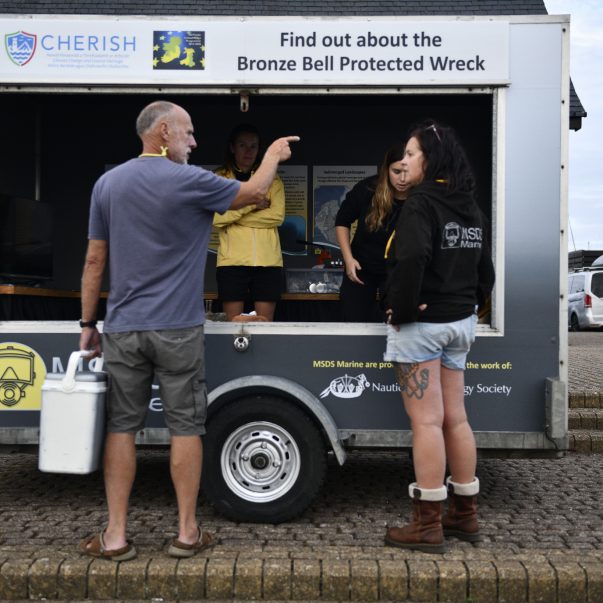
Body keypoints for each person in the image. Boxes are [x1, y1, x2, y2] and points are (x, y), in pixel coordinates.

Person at [78, 101, 298, 561]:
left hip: (123, 328)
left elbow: (95, 261)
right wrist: (273, 155)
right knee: (185, 427)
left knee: (121, 428)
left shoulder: (107, 184)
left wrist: (87, 325)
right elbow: (256, 189)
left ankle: (115, 536)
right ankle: (187, 533)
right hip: (178, 329)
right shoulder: (190, 180)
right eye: (189, 133)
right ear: (163, 132)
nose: (194, 142)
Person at [382, 121, 495, 553]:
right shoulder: (469, 206)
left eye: (411, 154)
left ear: (431, 158)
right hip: (460, 324)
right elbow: (486, 270)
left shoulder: (421, 204)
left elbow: (410, 257)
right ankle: (465, 515)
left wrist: (403, 309)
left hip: (423, 328)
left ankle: (427, 524)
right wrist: (468, 302)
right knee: (457, 418)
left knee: (426, 421)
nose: (405, 161)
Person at [213, 124, 286, 321]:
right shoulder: (220, 178)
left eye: (253, 146)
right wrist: (251, 204)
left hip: (268, 261)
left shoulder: (272, 179)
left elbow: (276, 216)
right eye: (243, 145)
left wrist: (234, 210)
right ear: (232, 148)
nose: (248, 151)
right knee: (233, 326)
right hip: (231, 262)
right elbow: (216, 218)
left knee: (265, 326)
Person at [335, 143, 408, 322]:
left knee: (397, 323)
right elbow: (341, 221)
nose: (403, 179)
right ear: (386, 169)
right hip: (361, 267)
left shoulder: (422, 197)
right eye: (396, 171)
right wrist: (348, 259)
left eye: (407, 172)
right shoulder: (368, 189)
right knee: (352, 320)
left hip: (398, 271)